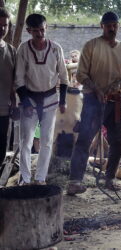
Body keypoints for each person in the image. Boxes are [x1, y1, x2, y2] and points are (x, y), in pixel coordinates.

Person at [67, 11, 121, 195]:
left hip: (116, 102)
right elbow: (81, 74)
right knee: (84, 140)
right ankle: (75, 181)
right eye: (108, 25)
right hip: (92, 101)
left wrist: (116, 86)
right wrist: (96, 89)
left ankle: (110, 178)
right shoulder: (91, 46)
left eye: (115, 25)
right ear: (101, 26)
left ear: (118, 26)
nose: (112, 28)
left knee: (117, 142)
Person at [15, 14, 69, 185]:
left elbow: (63, 76)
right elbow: (19, 77)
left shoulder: (55, 49)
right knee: (26, 141)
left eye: (42, 29)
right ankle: (24, 177)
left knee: (46, 141)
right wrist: (24, 101)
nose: (39, 34)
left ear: (46, 28)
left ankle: (40, 178)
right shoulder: (23, 49)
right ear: (29, 30)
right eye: (35, 31)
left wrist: (62, 101)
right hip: (29, 98)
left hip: (50, 98)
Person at [0, 7, 16, 166]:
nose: (2, 28)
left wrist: (15, 104)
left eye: (5, 25)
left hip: (4, 111)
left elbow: (14, 82)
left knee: (1, 150)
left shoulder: (11, 51)